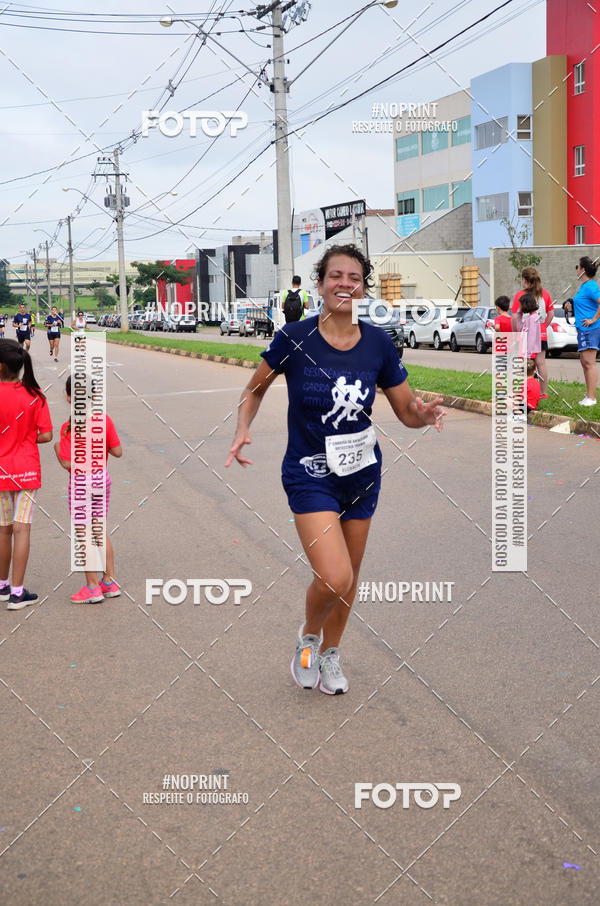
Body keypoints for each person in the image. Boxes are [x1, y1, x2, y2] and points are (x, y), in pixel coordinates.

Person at [226, 243, 445, 695]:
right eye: (335, 276)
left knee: (350, 577)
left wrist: (422, 416)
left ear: (363, 287)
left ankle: (331, 653)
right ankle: (309, 639)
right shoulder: (294, 337)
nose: (345, 284)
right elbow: (254, 389)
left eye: (354, 278)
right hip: (309, 473)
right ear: (321, 283)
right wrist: (243, 426)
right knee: (335, 575)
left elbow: (406, 410)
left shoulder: (379, 344)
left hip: (361, 474)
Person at [54, 375, 123, 604]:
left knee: (84, 534)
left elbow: (67, 463)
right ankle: (109, 581)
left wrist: (56, 449)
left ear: (68, 397)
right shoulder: (105, 420)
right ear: (94, 395)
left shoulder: (68, 428)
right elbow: (117, 452)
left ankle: (92, 587)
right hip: (102, 479)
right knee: (99, 529)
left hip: (81, 484)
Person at [0, 339, 53, 609]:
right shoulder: (35, 395)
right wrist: (25, 438)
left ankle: (2, 586)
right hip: (26, 470)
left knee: (3, 530)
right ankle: (17, 593)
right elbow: (46, 435)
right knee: (22, 529)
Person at [511, 267, 554, 399]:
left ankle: (523, 390)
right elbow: (551, 313)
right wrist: (543, 326)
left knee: (523, 361)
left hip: (525, 333)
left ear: (525, 280)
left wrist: (516, 332)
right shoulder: (544, 294)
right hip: (540, 333)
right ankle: (542, 392)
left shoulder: (520, 295)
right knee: (541, 363)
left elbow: (514, 317)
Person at [564, 256, 600, 407]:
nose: (576, 269)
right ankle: (589, 396)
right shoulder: (585, 286)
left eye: (577, 267)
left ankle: (591, 398)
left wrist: (593, 319)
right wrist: (571, 305)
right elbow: (585, 304)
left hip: (590, 329)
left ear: (583, 269)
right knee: (585, 362)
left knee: (589, 363)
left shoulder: (591, 286)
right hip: (583, 329)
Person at [511, 292, 541, 359]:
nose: (520, 307)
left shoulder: (533, 319)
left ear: (526, 305)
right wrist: (519, 313)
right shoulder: (530, 318)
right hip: (525, 351)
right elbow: (520, 328)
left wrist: (528, 354)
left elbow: (532, 337)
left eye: (521, 305)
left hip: (528, 353)